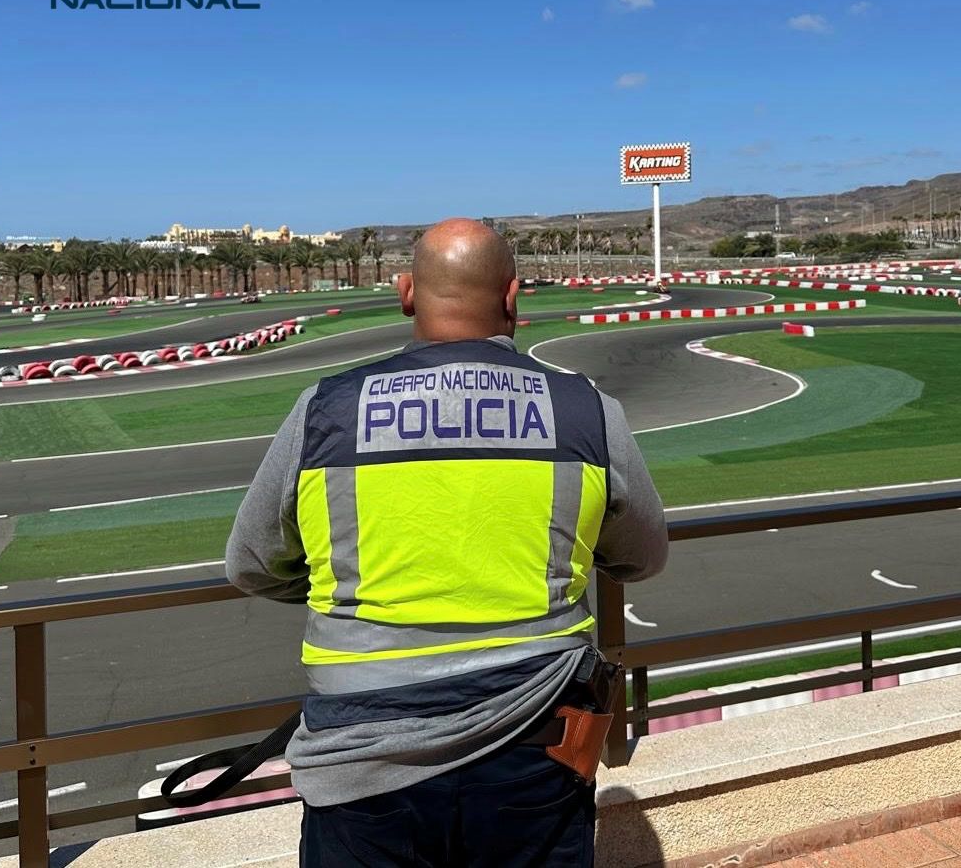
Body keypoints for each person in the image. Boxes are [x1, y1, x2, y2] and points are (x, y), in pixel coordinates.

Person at [226, 218, 668, 866]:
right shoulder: (587, 409)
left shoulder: (323, 408)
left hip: (360, 760)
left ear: (406, 292)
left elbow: (252, 564)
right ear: (513, 296)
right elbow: (643, 555)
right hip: (535, 752)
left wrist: (348, 583)